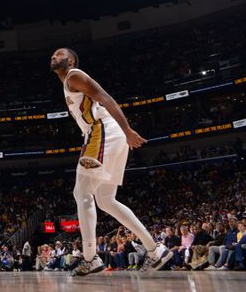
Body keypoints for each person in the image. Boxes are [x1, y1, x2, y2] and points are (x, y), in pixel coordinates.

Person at [50, 48, 174, 276]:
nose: (53, 56)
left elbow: (105, 98)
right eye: (53, 55)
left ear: (72, 60)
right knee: (106, 200)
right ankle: (155, 250)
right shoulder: (67, 83)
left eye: (59, 54)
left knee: (82, 193)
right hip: (107, 134)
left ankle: (90, 258)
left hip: (102, 132)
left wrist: (127, 129)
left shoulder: (74, 75)